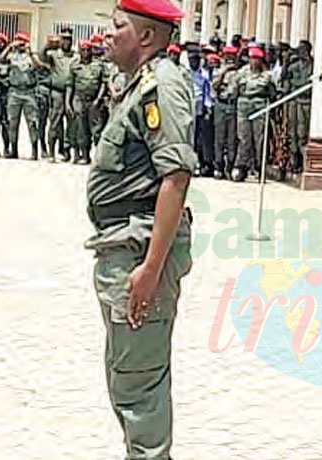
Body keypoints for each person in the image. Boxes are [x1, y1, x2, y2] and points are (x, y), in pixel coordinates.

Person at [88, 1, 195, 457]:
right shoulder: (138, 85)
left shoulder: (161, 87)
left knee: (139, 391)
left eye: (117, 27)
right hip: (123, 245)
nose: (108, 36)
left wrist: (151, 268)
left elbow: (176, 178)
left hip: (138, 250)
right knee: (128, 378)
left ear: (147, 37)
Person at [0, 32, 45, 160]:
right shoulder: (11, 56)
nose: (20, 45)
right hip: (14, 91)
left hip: (29, 92)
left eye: (22, 43)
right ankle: (13, 149)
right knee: (12, 122)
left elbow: (39, 66)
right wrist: (9, 47)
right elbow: (1, 60)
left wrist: (30, 52)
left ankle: (34, 151)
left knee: (32, 122)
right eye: (18, 42)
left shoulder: (31, 56)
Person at [233, 46, 274, 181]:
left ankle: (259, 167)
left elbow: (267, 89)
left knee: (259, 138)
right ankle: (241, 166)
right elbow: (235, 87)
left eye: (257, 59)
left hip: (260, 104)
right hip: (244, 104)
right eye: (252, 58)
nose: (254, 62)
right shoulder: (242, 72)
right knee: (244, 137)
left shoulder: (267, 74)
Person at [67, 40, 105, 164]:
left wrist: (98, 99)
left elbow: (104, 82)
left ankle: (99, 157)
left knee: (96, 129)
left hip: (94, 100)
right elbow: (70, 85)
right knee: (80, 128)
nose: (85, 52)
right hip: (78, 98)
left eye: (88, 50)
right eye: (83, 50)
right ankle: (83, 155)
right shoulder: (74, 65)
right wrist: (68, 102)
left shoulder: (98, 65)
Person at [46, 28, 79, 161]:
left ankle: (66, 151)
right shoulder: (54, 54)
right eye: (64, 39)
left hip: (73, 93)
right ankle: (51, 153)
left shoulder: (75, 56)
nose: (66, 42)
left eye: (69, 39)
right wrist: (49, 43)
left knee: (72, 124)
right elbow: (42, 56)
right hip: (57, 93)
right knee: (55, 123)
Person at [212, 46, 241, 179]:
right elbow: (215, 86)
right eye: (227, 56)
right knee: (219, 138)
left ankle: (230, 166)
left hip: (233, 105)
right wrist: (224, 72)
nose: (230, 59)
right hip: (221, 104)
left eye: (232, 57)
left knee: (231, 139)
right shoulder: (218, 70)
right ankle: (218, 166)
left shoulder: (240, 73)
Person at [285, 40, 312, 174]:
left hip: (306, 102)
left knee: (303, 132)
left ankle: (303, 160)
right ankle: (294, 158)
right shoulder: (294, 66)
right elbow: (285, 77)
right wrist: (286, 61)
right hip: (294, 101)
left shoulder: (313, 66)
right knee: (292, 131)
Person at [188, 46, 216, 176]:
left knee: (200, 139)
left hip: (200, 110)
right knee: (189, 137)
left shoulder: (204, 75)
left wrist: (207, 107)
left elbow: (207, 92)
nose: (193, 62)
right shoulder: (185, 73)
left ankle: (201, 162)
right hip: (187, 109)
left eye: (196, 59)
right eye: (191, 59)